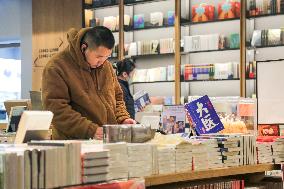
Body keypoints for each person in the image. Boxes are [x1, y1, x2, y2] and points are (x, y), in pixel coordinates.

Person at [42, 26, 136, 140]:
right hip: (73, 144)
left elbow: (117, 97)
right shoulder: (57, 67)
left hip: (107, 140)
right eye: (99, 57)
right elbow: (56, 109)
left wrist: (122, 118)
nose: (102, 62)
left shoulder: (106, 66)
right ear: (83, 48)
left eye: (106, 57)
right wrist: (90, 130)